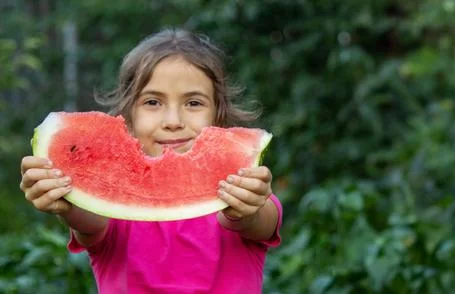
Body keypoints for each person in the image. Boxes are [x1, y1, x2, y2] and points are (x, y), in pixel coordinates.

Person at [17, 28, 282, 293]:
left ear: (218, 115)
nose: (173, 122)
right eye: (153, 102)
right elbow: (88, 219)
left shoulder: (246, 188)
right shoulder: (112, 205)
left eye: (193, 103)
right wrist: (66, 194)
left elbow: (258, 220)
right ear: (128, 118)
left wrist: (246, 209)